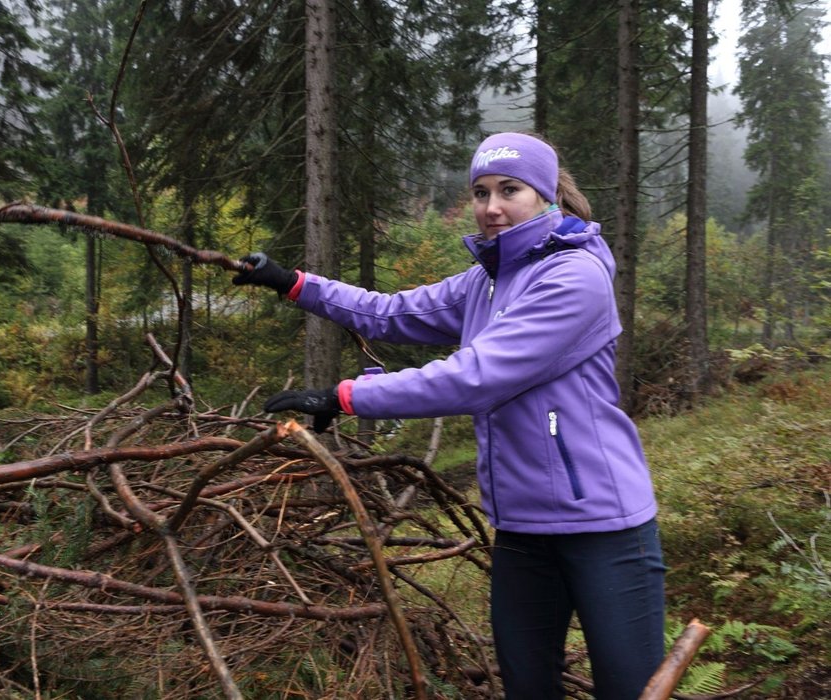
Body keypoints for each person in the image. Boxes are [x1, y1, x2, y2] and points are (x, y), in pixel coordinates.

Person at [232, 132, 666, 699]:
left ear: (546, 194)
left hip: (605, 529)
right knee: (527, 690)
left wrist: (346, 397)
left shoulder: (574, 277)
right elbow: (389, 312)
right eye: (481, 192)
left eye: (510, 189)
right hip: (521, 529)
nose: (492, 207)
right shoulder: (487, 280)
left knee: (630, 691)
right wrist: (295, 284)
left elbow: (474, 377)